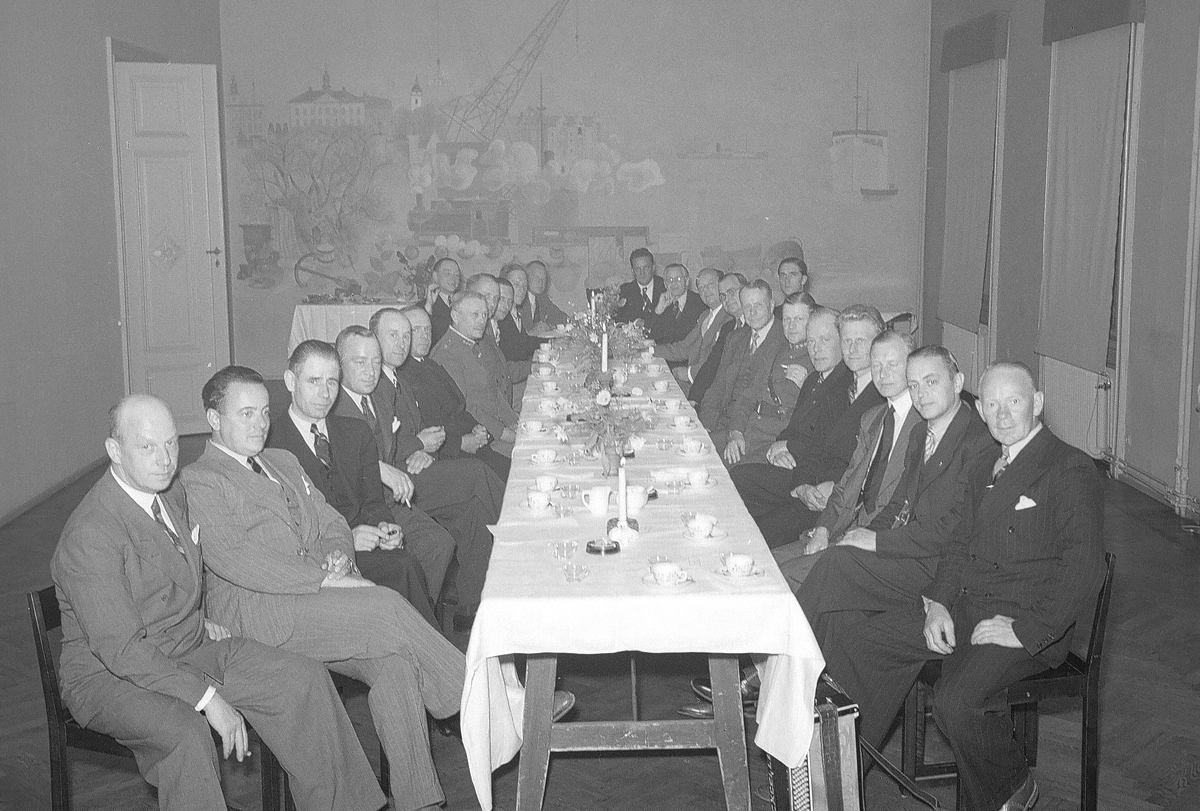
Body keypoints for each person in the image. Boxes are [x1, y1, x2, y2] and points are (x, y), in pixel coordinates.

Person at [53, 394, 386, 811]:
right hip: (110, 675)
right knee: (185, 733)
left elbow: (183, 572)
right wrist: (207, 699)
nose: (164, 459)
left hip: (187, 646)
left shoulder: (169, 493)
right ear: (114, 451)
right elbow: (122, 650)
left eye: (171, 443)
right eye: (147, 446)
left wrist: (201, 615)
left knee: (302, 679)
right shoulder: (90, 533)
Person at [180, 366, 471, 811]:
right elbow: (238, 558)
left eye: (264, 412)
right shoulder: (200, 479)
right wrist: (326, 577)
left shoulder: (283, 461)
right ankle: (478, 697)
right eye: (246, 414)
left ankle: (421, 803)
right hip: (259, 615)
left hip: (313, 609)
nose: (260, 423)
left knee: (395, 664)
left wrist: (338, 554)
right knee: (385, 604)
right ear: (214, 419)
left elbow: (332, 520)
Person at [822, 362, 1105, 811]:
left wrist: (1026, 630)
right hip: (965, 609)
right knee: (862, 644)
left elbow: (1085, 566)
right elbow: (957, 546)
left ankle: (1013, 787)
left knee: (954, 702)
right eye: (991, 404)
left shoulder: (1069, 466)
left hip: (1024, 621)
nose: (1002, 414)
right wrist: (937, 603)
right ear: (980, 408)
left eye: (1014, 401)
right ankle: (839, 782)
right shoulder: (984, 465)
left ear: (1037, 403)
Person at [797, 345, 997, 655]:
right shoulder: (920, 435)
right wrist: (863, 535)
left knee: (837, 565)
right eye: (913, 385)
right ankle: (819, 674)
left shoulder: (979, 444)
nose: (921, 394)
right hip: (910, 552)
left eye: (931, 382)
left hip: (939, 566)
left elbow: (950, 531)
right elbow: (897, 504)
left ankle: (780, 656)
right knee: (841, 576)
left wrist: (877, 542)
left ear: (957, 383)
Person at [267, 339, 447, 625]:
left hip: (368, 548)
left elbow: (374, 503)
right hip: (320, 557)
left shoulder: (355, 432)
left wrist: (386, 529)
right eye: (314, 381)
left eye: (332, 382)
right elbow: (283, 530)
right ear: (290, 381)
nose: (325, 393)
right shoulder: (271, 445)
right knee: (403, 570)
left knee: (406, 564)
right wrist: (348, 538)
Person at [334, 325, 503, 629]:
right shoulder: (337, 407)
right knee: (440, 536)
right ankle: (417, 627)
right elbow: (356, 466)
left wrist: (424, 452)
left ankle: (471, 606)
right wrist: (411, 452)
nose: (371, 371)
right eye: (360, 362)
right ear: (340, 364)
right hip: (377, 499)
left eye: (375, 362)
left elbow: (404, 441)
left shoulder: (378, 396)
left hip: (400, 482)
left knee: (471, 513)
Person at [771, 330, 923, 585]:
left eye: (892, 364)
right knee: (768, 562)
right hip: (845, 527)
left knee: (785, 579)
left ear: (911, 366)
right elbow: (847, 486)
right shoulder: (873, 418)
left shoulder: (922, 424)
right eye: (876, 365)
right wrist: (824, 529)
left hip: (880, 544)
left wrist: (855, 538)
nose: (882, 373)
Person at [730, 305, 887, 547]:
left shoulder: (881, 395)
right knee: (737, 499)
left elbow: (862, 468)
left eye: (860, 341)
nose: (852, 349)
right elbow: (816, 445)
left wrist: (816, 485)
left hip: (834, 497)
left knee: (756, 532)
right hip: (809, 480)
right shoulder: (840, 384)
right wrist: (801, 484)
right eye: (848, 341)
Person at [386, 306, 511, 480]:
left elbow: (459, 405)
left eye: (428, 329)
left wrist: (478, 428)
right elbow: (424, 426)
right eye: (416, 330)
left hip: (471, 444)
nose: (425, 336)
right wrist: (461, 443)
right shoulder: (402, 376)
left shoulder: (430, 364)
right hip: (449, 454)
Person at [698, 281, 785, 461]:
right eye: (747, 307)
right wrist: (705, 425)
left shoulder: (784, 338)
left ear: (771, 305)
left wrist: (733, 432)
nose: (752, 312)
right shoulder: (736, 338)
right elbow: (718, 387)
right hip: (721, 421)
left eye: (758, 305)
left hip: (749, 430)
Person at [433, 290, 519, 457]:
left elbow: (493, 391)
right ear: (455, 316)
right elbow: (466, 406)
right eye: (475, 315)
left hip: (495, 429)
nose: (482, 321)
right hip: (482, 439)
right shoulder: (447, 354)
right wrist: (505, 433)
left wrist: (514, 421)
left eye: (484, 315)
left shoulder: (473, 344)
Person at [738, 292, 816, 464]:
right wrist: (736, 432)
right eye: (787, 319)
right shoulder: (775, 349)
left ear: (812, 321)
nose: (792, 326)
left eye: (799, 319)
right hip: (750, 431)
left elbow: (819, 418)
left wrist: (806, 386)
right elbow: (748, 396)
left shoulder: (817, 359)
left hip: (776, 440)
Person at [652, 267, 729, 389]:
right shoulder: (705, 315)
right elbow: (684, 347)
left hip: (708, 386)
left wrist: (688, 373)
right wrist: (648, 350)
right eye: (701, 287)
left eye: (710, 284)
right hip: (694, 381)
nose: (705, 290)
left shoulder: (728, 318)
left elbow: (718, 362)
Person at [687, 272, 747, 407]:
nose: (727, 299)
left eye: (731, 292)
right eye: (723, 296)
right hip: (716, 398)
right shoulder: (729, 327)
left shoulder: (753, 327)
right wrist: (693, 399)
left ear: (745, 291)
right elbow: (711, 365)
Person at [648, 262, 706, 345]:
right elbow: (649, 335)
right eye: (670, 280)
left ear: (687, 281)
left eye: (678, 279)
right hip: (662, 352)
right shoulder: (660, 301)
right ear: (665, 284)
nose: (674, 283)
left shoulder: (700, 303)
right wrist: (658, 311)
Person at [496, 270, 542, 362]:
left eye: (525, 285)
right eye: (516, 284)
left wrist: (552, 341)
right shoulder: (500, 318)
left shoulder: (515, 313)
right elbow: (513, 357)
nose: (522, 290)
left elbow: (525, 343)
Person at [614, 247, 665, 324]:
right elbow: (619, 321)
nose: (642, 273)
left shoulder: (665, 287)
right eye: (638, 269)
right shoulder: (624, 291)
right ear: (632, 271)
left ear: (653, 268)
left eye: (646, 267)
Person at [522, 259, 569, 328]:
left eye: (544, 278)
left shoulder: (543, 298)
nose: (541, 281)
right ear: (526, 278)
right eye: (537, 277)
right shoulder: (520, 298)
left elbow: (561, 317)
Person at [426, 256, 461, 346]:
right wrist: (428, 308)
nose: (453, 279)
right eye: (448, 274)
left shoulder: (464, 302)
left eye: (457, 275)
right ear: (435, 276)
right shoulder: (426, 306)